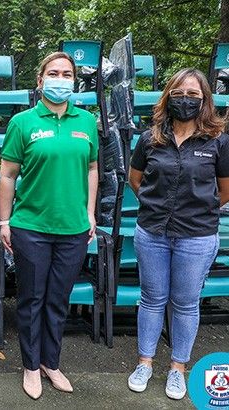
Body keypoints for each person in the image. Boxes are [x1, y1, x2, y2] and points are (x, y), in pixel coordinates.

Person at [0, 51, 98, 400]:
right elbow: (7, 175)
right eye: (53, 73)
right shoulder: (23, 123)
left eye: (67, 73)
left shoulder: (87, 122)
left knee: (58, 300)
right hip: (31, 227)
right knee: (32, 298)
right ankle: (30, 366)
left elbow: (92, 169)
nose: (60, 79)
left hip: (72, 228)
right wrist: (5, 221)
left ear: (74, 80)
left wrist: (89, 213)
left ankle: (50, 363)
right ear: (39, 81)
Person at [127, 68, 229, 400]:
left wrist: (200, 209)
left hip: (196, 236)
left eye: (193, 95)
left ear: (205, 101)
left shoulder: (218, 142)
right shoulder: (149, 138)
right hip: (152, 231)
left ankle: (177, 368)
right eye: (179, 93)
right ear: (168, 96)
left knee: (185, 303)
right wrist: (156, 206)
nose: (185, 100)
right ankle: (144, 362)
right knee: (151, 299)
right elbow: (135, 179)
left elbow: (225, 191)